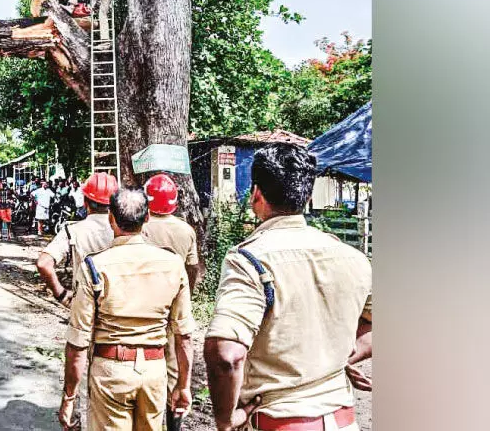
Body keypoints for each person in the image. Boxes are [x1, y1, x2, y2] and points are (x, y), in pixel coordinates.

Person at [203, 143, 372, 431]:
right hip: (344, 422)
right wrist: (334, 358)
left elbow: (226, 354)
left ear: (256, 193)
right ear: (307, 196)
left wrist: (225, 420)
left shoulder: (249, 259)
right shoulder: (353, 258)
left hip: (278, 421)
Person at [58, 187, 194, 431]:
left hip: (110, 371)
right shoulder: (173, 264)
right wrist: (183, 385)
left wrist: (69, 397)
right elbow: (184, 336)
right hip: (154, 370)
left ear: (111, 219)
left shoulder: (94, 267)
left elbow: (78, 342)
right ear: (147, 218)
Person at [141, 172, 200, 431]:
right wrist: (185, 294)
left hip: (144, 305)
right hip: (173, 304)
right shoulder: (186, 231)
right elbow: (193, 268)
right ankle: (173, 423)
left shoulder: (139, 226)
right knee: (174, 368)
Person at [36, 172, 117, 307]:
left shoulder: (71, 231)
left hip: (84, 305)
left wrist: (60, 294)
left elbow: (43, 263)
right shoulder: (125, 230)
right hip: (117, 305)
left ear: (85, 202)